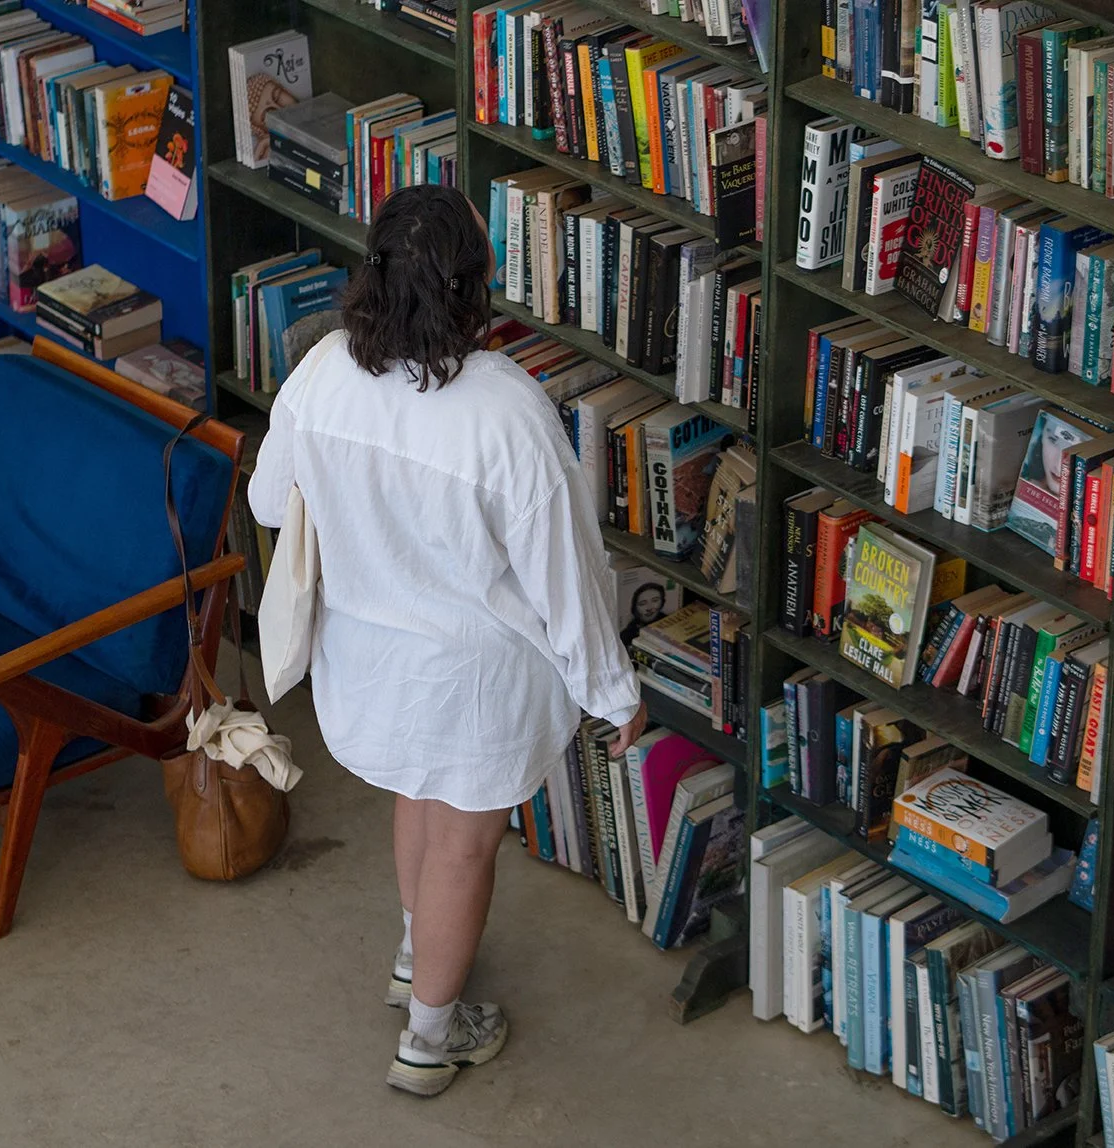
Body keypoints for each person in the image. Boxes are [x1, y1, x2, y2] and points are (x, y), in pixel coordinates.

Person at [246, 184, 645, 1097]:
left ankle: (413, 956)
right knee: (464, 846)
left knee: (415, 797)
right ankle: (431, 1036)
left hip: (369, 663)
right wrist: (613, 692)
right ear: (475, 281)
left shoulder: (322, 370)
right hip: (476, 681)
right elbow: (564, 579)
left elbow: (270, 502)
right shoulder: (508, 411)